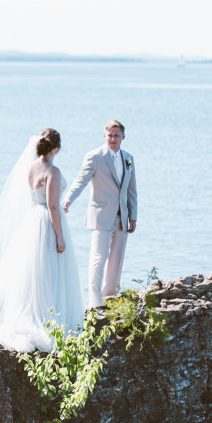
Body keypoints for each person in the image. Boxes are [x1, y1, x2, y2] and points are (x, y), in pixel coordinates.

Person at [0, 129, 85, 352]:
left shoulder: (30, 167)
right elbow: (52, 205)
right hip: (47, 222)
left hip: (31, 220)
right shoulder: (53, 171)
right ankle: (49, 319)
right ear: (56, 149)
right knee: (51, 271)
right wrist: (60, 235)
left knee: (32, 272)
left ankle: (31, 312)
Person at [62, 119, 138, 308]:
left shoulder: (128, 158)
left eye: (116, 135)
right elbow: (81, 180)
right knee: (98, 258)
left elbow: (131, 189)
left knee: (117, 259)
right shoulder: (95, 156)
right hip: (101, 216)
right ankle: (96, 302)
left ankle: (110, 295)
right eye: (110, 135)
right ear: (104, 135)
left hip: (122, 216)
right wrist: (68, 199)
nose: (113, 139)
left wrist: (133, 215)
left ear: (123, 137)